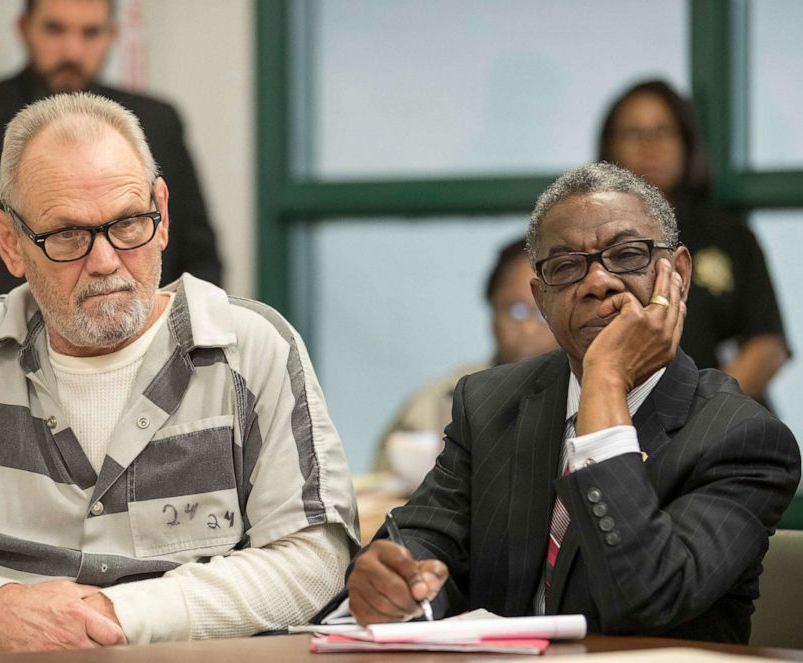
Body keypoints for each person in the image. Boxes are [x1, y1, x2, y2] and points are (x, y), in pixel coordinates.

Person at [0, 92, 358, 655]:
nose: (105, 261)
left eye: (129, 223)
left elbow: (313, 559)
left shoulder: (252, 351)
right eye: (68, 236)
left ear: (162, 212)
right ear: (9, 241)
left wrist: (118, 615)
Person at [341, 162, 800, 643]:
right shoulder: (489, 402)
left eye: (627, 255)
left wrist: (605, 381)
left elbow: (649, 599)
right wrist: (394, 584)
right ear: (541, 299)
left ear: (678, 274)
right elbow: (424, 542)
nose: (598, 282)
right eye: (566, 267)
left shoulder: (743, 437)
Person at [0, 0, 222, 338]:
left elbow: (198, 256)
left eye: (90, 32)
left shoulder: (157, 122)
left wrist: (189, 353)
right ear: (24, 29)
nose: (72, 50)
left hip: (135, 342)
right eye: (55, 29)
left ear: (112, 36)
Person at [598, 80, 789, 404]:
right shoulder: (593, 237)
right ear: (609, 147)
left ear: (687, 143)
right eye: (633, 133)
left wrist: (703, 409)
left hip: (723, 420)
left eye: (663, 132)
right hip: (619, 413)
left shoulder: (729, 235)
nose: (649, 146)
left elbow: (768, 347)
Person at [373, 237, 558, 472]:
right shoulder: (443, 399)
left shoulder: (589, 398)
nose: (528, 329)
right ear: (491, 309)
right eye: (516, 310)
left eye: (543, 314)